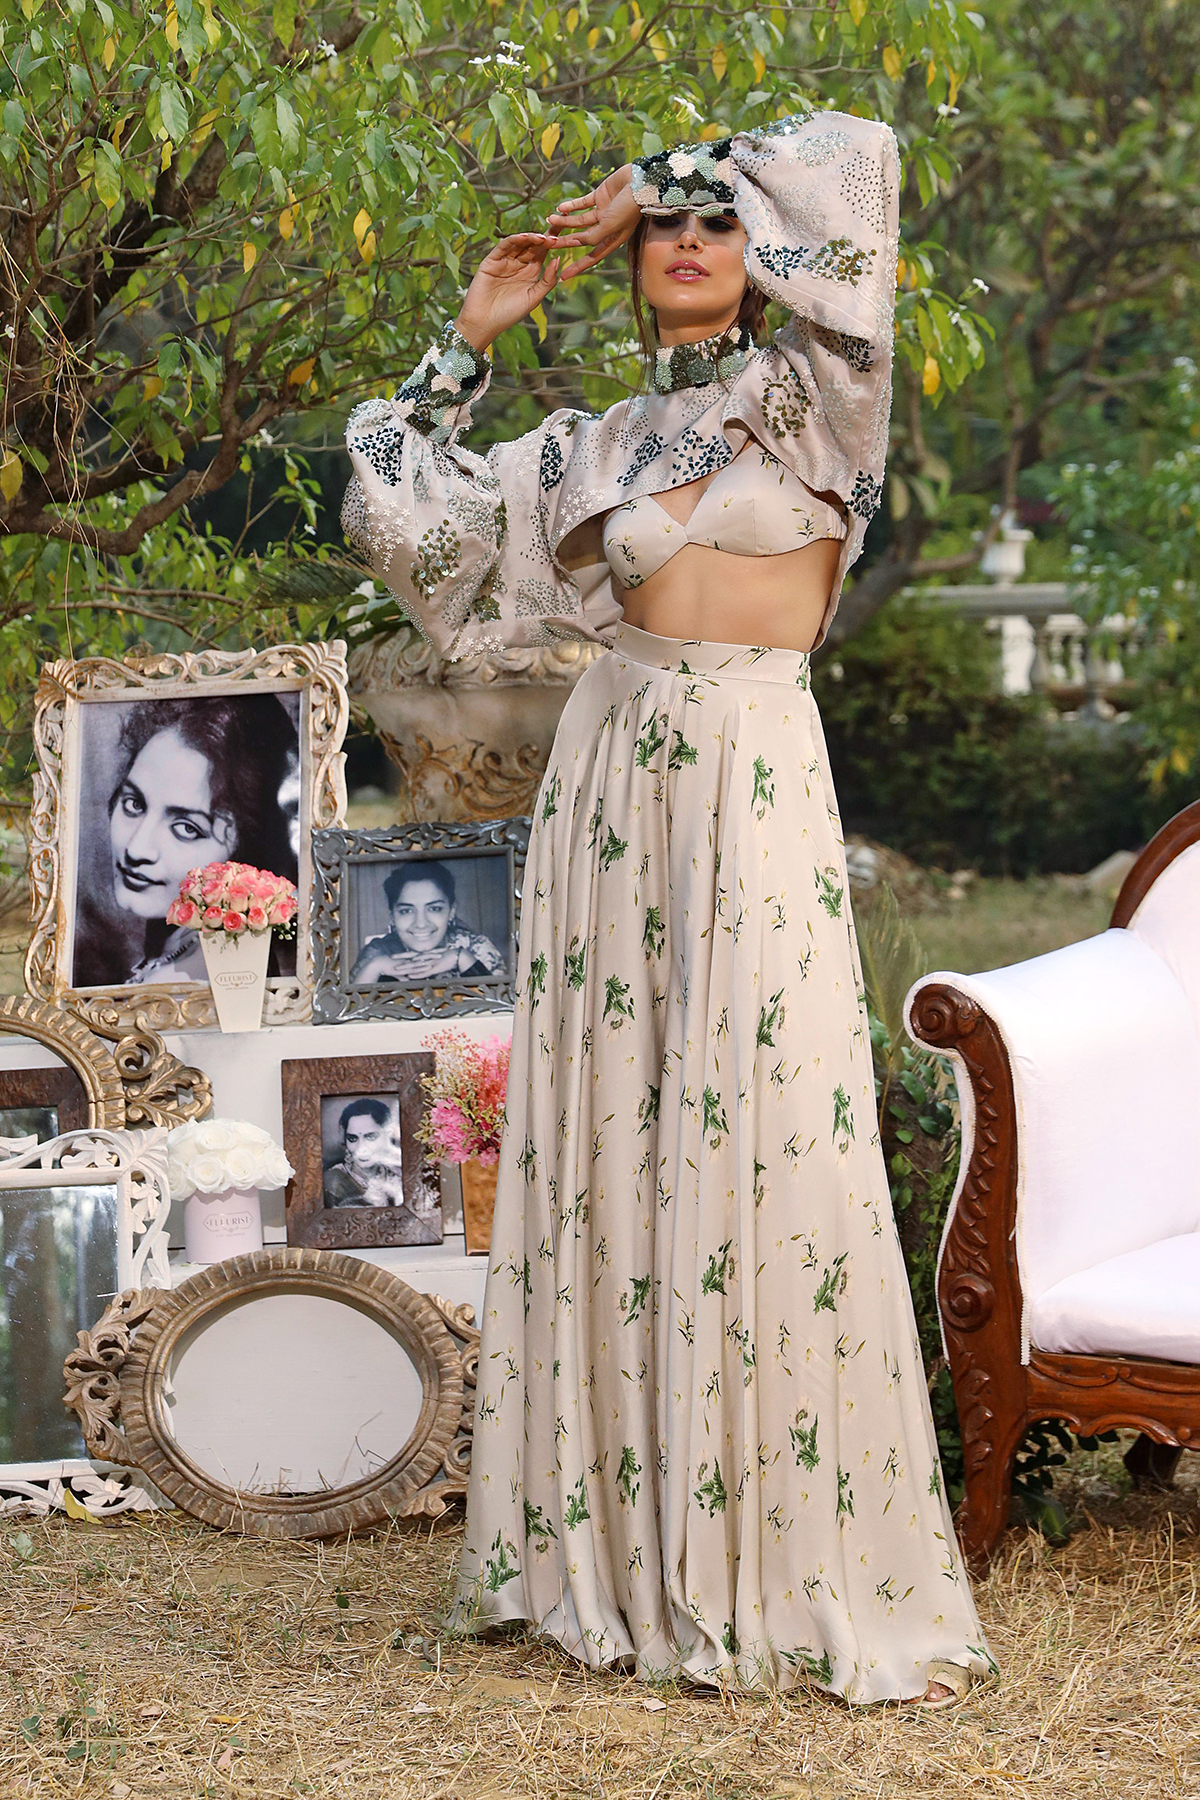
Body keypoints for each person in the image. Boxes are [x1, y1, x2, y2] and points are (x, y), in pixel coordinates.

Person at [343, 110, 992, 1705]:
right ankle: (615, 1554)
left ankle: (775, 1551)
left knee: (762, 1117)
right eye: (663, 229)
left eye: (712, 221)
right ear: (632, 272)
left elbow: (855, 157)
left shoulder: (817, 397)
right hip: (610, 786)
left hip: (754, 774)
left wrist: (656, 168)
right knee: (622, 1128)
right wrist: (466, 343)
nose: (688, 242)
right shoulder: (589, 446)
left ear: (758, 258)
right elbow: (407, 523)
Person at [72, 695, 300, 989]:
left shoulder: (181, 982)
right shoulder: (173, 960)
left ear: (247, 848)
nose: (137, 849)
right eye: (134, 804)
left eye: (186, 828)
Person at [350, 860, 505, 985]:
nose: (421, 923)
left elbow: (505, 1011)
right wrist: (374, 968)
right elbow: (349, 1012)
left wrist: (463, 959)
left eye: (434, 909)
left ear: (451, 912)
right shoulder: (376, 952)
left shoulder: (476, 947)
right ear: (392, 916)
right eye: (406, 911)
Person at [323, 1097, 440, 1244]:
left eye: (370, 1137)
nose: (361, 1147)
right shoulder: (334, 1181)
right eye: (353, 1139)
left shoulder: (398, 1175)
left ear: (387, 1135)